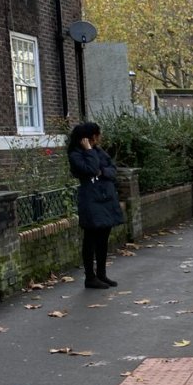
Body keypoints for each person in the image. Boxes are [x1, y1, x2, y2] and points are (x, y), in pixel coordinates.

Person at [67, 122, 124, 289]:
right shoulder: (76, 155)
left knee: (103, 239)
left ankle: (101, 274)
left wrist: (102, 172)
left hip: (105, 198)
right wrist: (89, 152)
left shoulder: (99, 151)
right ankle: (90, 277)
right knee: (90, 239)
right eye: (98, 134)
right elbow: (91, 169)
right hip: (91, 200)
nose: (100, 137)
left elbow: (112, 169)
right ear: (89, 137)